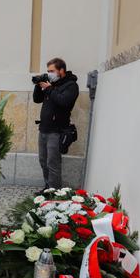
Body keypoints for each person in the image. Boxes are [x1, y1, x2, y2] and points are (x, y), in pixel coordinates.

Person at [33, 57, 79, 191]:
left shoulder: (71, 85)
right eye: (48, 71)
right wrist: (38, 85)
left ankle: (54, 193)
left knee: (52, 163)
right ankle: (47, 188)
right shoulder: (51, 84)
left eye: (52, 70)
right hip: (43, 129)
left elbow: (63, 101)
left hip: (56, 131)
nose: (49, 73)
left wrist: (49, 89)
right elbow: (37, 99)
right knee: (43, 161)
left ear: (62, 70)